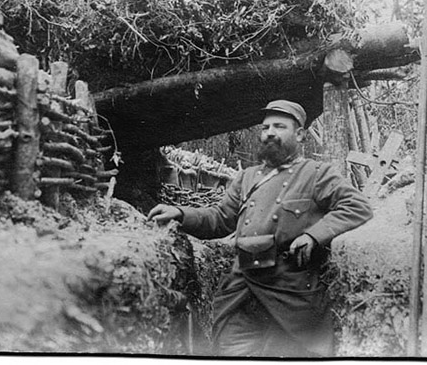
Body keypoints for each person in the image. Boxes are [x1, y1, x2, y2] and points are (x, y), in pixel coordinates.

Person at [148, 99, 373, 357]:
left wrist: (313, 235)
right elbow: (219, 218)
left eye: (279, 126)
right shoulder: (247, 177)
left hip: (291, 296)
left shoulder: (317, 174)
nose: (270, 133)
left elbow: (357, 206)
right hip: (241, 292)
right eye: (265, 128)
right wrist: (180, 213)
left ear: (299, 134)